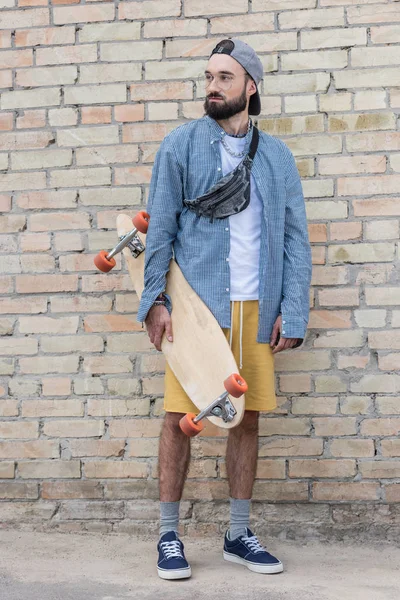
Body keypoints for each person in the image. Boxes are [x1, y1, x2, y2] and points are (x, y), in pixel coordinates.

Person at [136, 38, 312, 580]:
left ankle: (238, 533)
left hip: (256, 306)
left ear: (250, 87)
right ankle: (169, 535)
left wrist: (294, 309)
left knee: (246, 419)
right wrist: (155, 299)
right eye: (209, 76)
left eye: (225, 77)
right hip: (196, 309)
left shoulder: (277, 157)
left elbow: (294, 240)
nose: (213, 86)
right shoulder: (180, 146)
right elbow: (160, 227)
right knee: (176, 420)